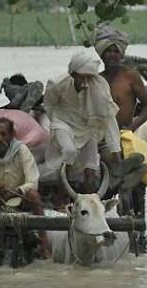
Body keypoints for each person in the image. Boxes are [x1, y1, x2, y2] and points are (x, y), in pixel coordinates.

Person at [43, 51, 121, 193]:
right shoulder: (57, 83)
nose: (86, 82)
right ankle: (63, 197)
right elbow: (49, 105)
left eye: (89, 78)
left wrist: (115, 150)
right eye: (82, 77)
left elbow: (108, 118)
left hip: (88, 126)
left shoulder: (99, 87)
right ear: (73, 75)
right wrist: (55, 123)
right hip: (63, 122)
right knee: (69, 151)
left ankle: (90, 199)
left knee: (91, 166)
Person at [0, 117, 50, 259]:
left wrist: (15, 192)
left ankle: (44, 246)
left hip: (19, 197)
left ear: (11, 136)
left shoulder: (21, 150)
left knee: (34, 195)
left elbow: (32, 180)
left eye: (3, 135)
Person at [95, 24, 147, 132]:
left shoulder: (131, 76)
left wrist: (131, 128)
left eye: (116, 51)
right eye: (109, 51)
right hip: (101, 133)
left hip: (125, 132)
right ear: (102, 54)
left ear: (121, 55)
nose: (112, 54)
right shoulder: (98, 80)